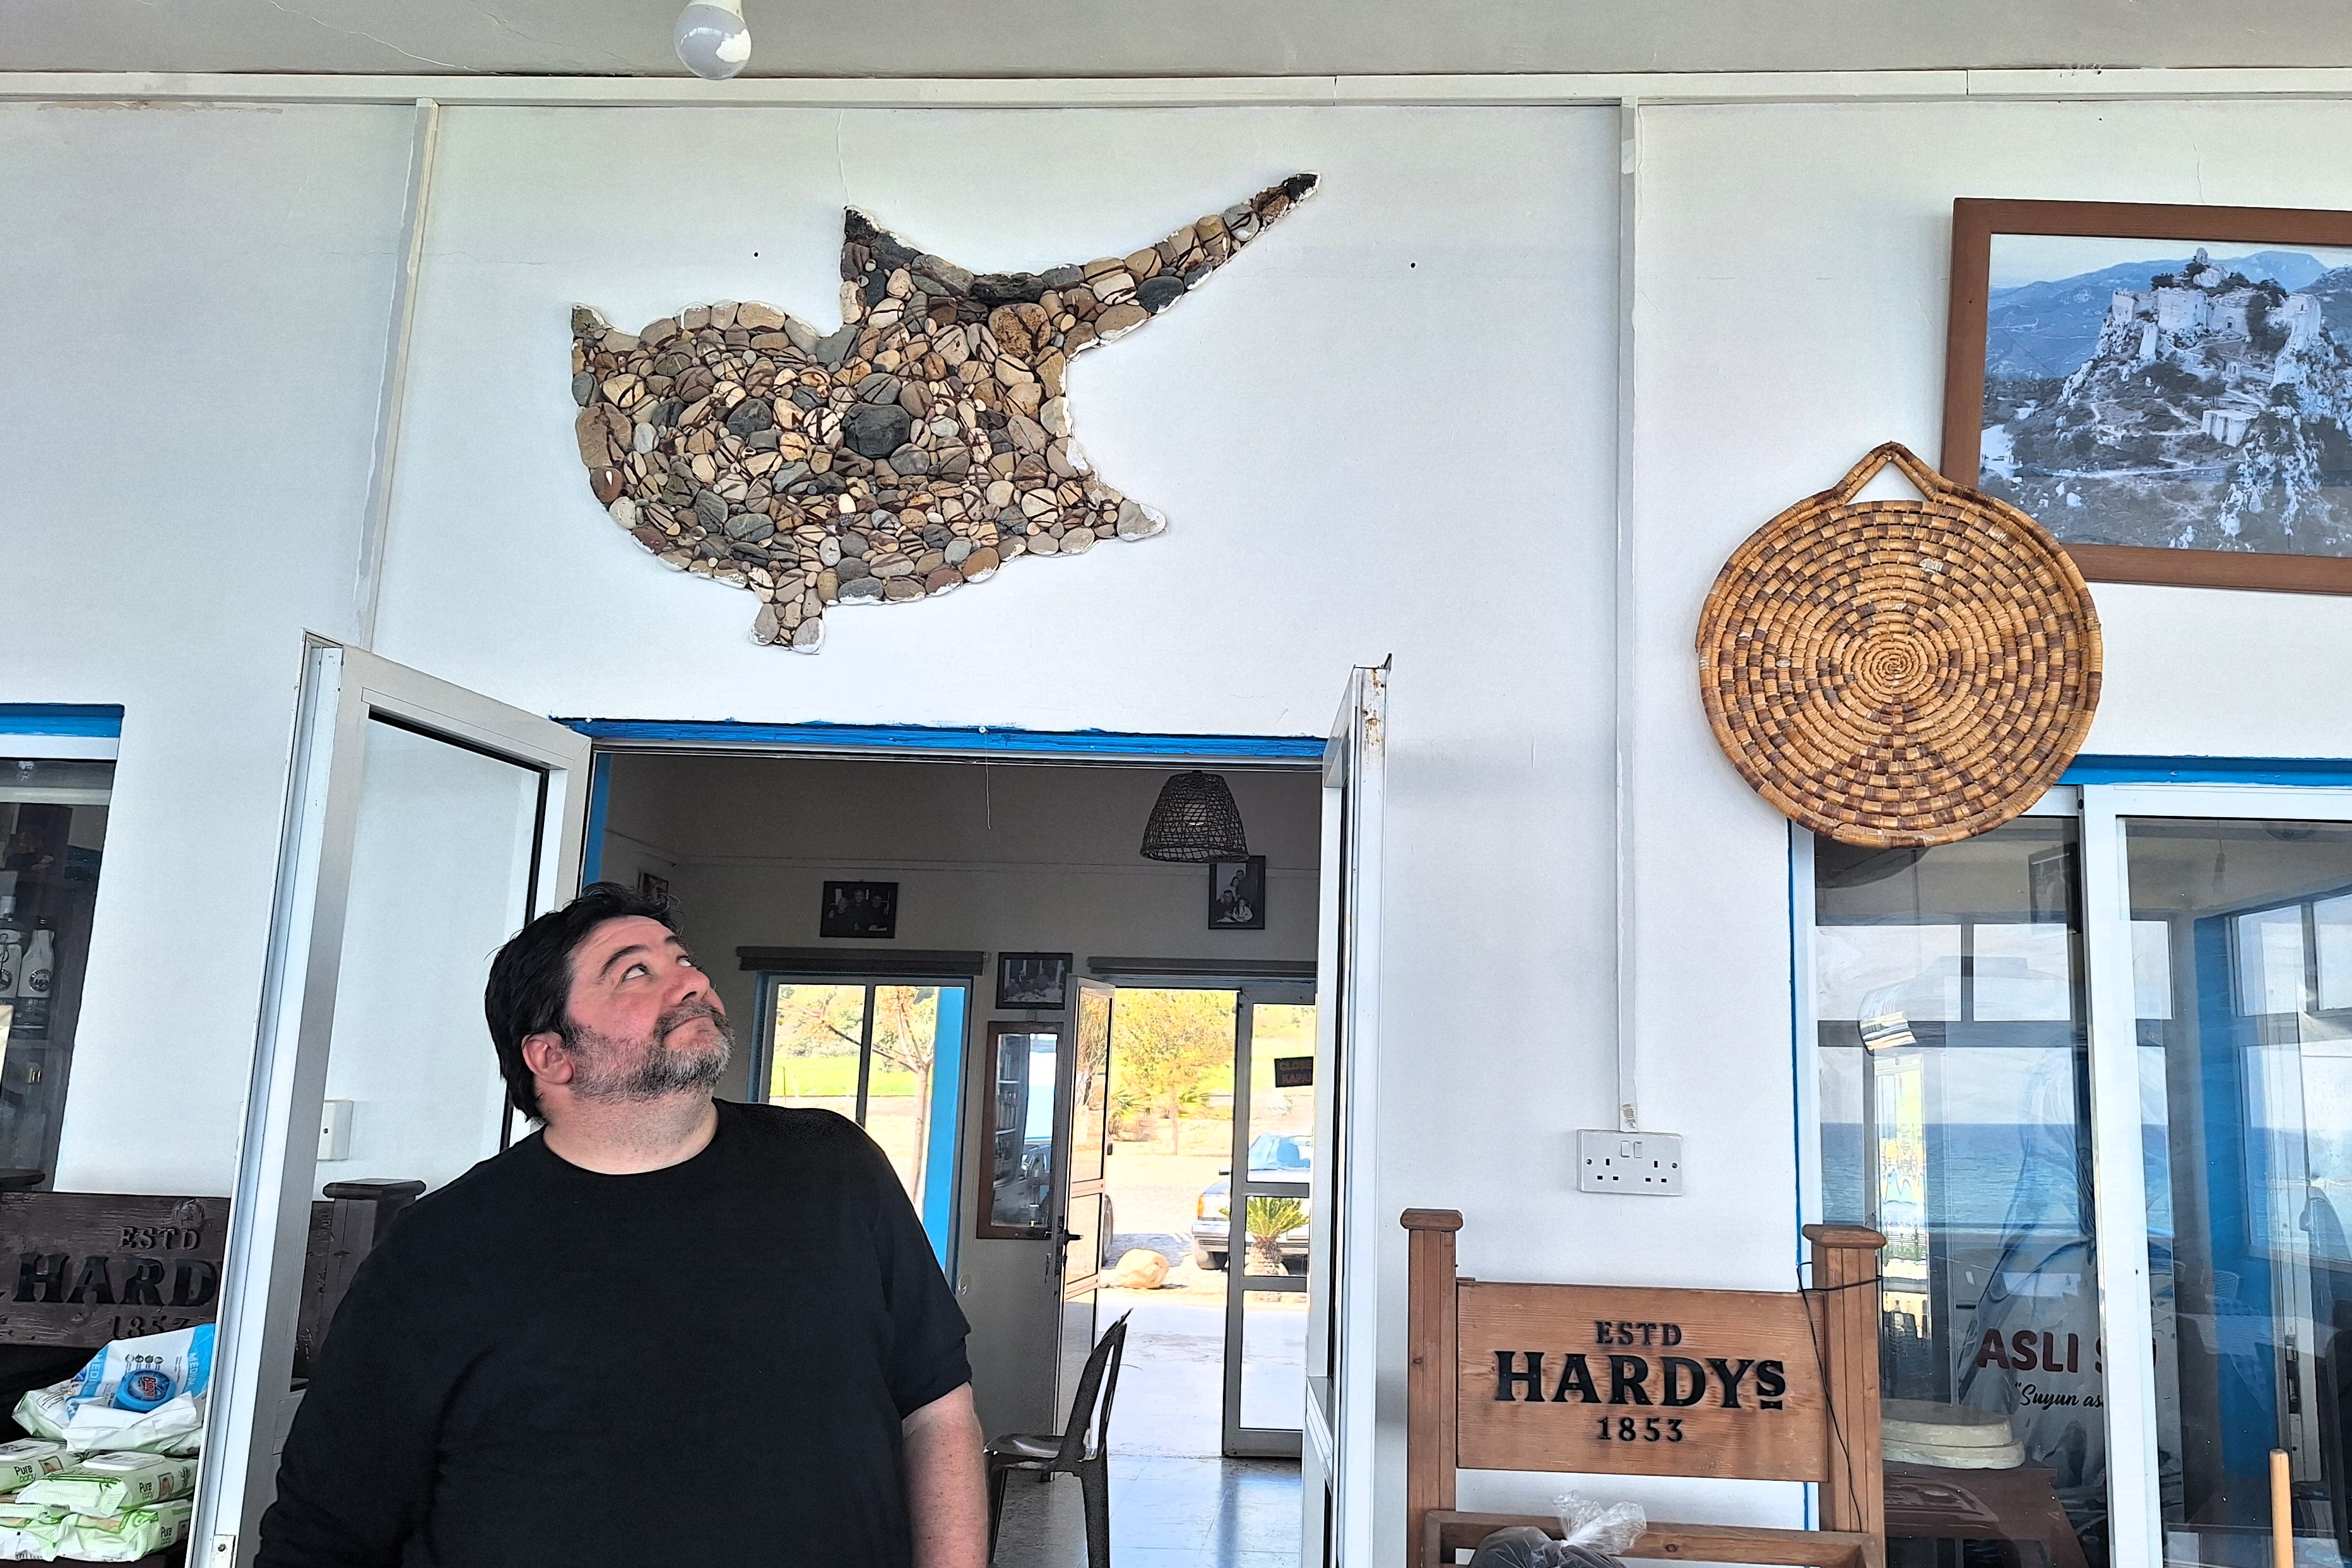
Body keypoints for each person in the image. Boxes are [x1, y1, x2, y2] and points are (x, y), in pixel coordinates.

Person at [258, 882, 987, 1567]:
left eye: (683, 959)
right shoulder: (439, 1250)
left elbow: (936, 1409)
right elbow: (325, 1527)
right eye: (635, 972)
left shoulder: (833, 1168)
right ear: (551, 1055)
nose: (690, 981)